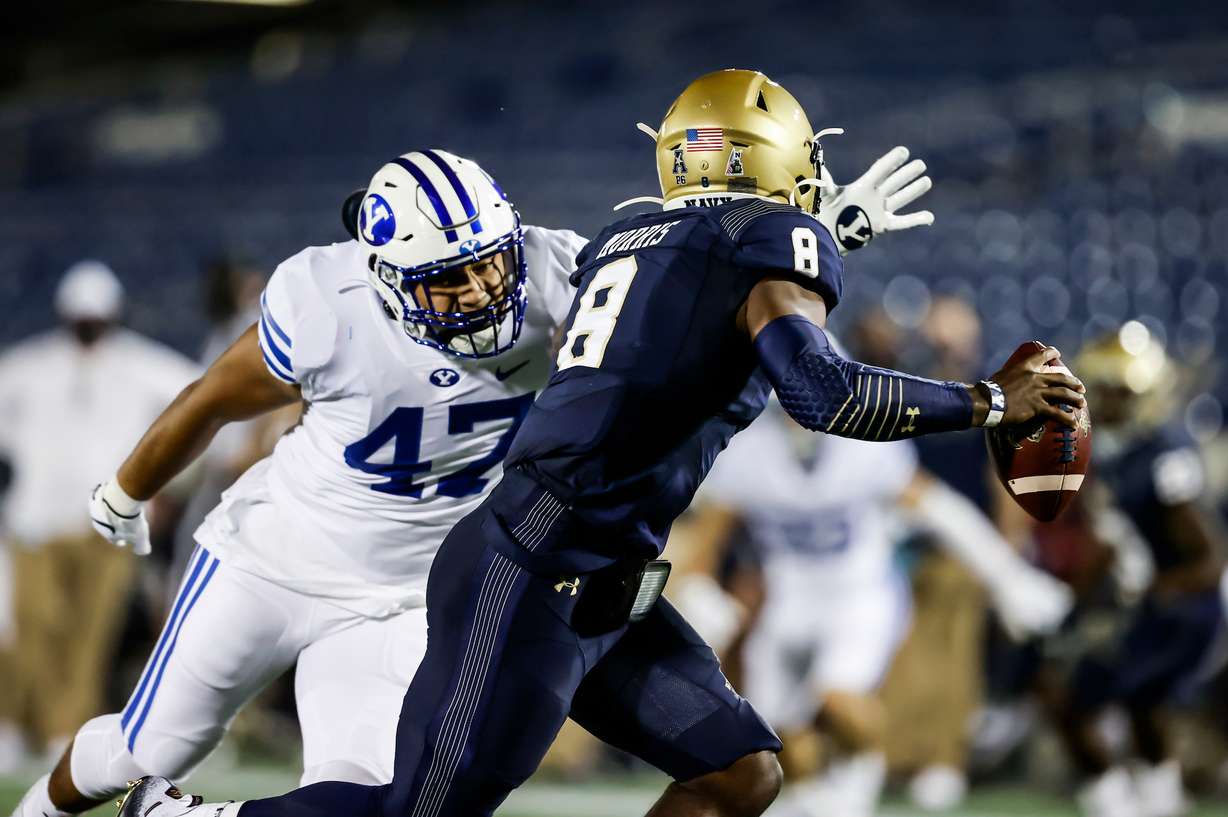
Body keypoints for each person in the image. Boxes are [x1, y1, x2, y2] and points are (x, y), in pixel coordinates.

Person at [119, 69, 1084, 817]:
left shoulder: (630, 237)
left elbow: (697, 311)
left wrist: (831, 234)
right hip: (532, 566)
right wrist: (988, 401)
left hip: (601, 572)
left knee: (739, 771)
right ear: (779, 162)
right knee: (412, 811)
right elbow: (823, 390)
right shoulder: (762, 246)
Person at [694, 398, 1071, 817]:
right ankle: (810, 798)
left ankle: (858, 782)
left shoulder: (862, 444)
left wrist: (1008, 578)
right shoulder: (748, 452)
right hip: (790, 601)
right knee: (771, 738)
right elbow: (707, 537)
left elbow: (938, 509)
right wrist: (700, 591)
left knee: (838, 699)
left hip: (860, 593)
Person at [0, 262, 198, 763]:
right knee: (36, 626)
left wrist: (161, 485)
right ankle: (20, 725)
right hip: (35, 520)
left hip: (108, 520)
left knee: (90, 633)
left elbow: (198, 408)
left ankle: (62, 732)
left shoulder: (141, 364)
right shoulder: (31, 365)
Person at [1060, 323, 1226, 817]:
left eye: (1112, 389)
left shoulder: (1162, 455)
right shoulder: (1120, 452)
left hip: (1187, 607)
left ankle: (1127, 806)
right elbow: (1113, 545)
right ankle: (1153, 803)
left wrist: (1155, 591)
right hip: (1162, 602)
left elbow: (1209, 558)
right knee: (1136, 706)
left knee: (1086, 702)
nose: (1100, 399)